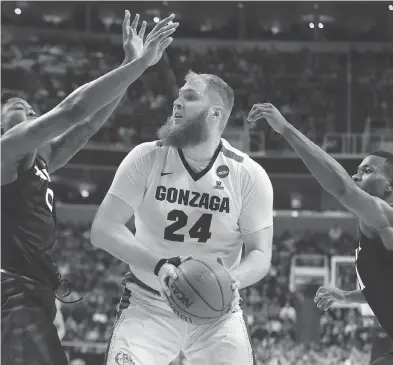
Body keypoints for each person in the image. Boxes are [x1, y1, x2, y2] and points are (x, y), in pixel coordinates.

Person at [1, 12, 177, 365]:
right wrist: (140, 66)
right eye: (14, 106)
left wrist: (129, 65)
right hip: (11, 288)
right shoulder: (6, 150)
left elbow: (86, 125)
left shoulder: (40, 160)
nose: (27, 108)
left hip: (31, 288)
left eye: (32, 108)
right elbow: (71, 110)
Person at [91, 72, 274, 365]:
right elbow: (103, 229)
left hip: (217, 312)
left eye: (189, 97)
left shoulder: (248, 175)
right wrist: (159, 265)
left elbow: (260, 254)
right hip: (148, 301)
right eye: (179, 95)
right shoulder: (146, 157)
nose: (176, 102)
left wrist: (227, 281)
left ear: (215, 113)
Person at [247, 103, 393, 365]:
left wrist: (286, 129)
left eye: (367, 171)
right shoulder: (374, 225)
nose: (356, 175)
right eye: (357, 170)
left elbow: (343, 189)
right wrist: (347, 296)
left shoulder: (386, 214)